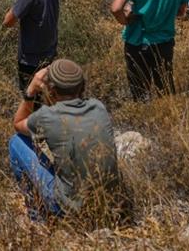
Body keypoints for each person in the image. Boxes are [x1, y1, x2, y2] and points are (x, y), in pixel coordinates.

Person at [9, 59, 119, 218]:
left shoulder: (47, 116)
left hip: (69, 209)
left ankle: (37, 217)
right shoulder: (98, 107)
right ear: (82, 86)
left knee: (16, 142)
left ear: (50, 89)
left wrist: (31, 90)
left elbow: (18, 123)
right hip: (109, 203)